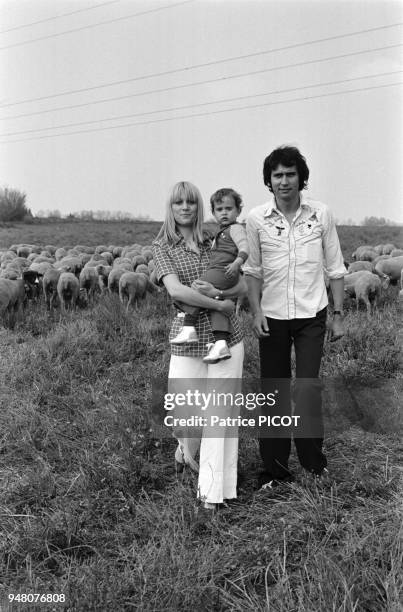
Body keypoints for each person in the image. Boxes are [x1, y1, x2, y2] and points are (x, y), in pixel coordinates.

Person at [244, 145, 346, 489]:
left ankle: (314, 463)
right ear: (269, 181)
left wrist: (339, 314)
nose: (284, 181)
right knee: (273, 391)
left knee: (306, 388)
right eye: (277, 175)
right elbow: (253, 270)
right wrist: (255, 312)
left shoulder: (321, 214)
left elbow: (335, 266)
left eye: (290, 174)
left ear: (302, 178)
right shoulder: (257, 219)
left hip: (311, 315)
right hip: (271, 317)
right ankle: (274, 469)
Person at [152, 181, 245, 509]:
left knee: (220, 416)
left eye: (191, 202)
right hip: (188, 340)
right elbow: (176, 291)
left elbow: (242, 283)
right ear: (171, 207)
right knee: (184, 413)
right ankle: (186, 451)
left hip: (225, 339)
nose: (185, 208)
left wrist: (223, 294)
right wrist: (219, 303)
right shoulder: (162, 246)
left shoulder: (216, 238)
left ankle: (214, 491)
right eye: (179, 203)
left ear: (198, 206)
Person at [170, 187, 249, 364]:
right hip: (225, 274)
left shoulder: (235, 229)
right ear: (213, 212)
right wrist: (219, 297)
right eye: (220, 210)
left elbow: (244, 247)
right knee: (217, 307)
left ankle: (189, 327)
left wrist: (237, 263)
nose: (224, 213)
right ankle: (221, 343)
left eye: (229, 209)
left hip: (223, 270)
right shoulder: (217, 234)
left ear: (238, 211)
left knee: (197, 287)